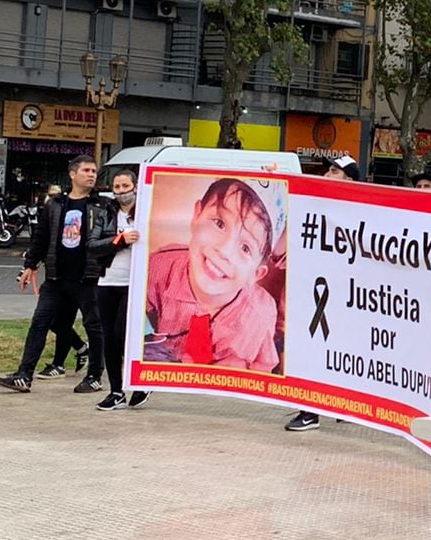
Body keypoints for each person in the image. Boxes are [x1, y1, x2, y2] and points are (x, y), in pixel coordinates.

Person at [140, 177, 282, 374]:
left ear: (256, 274)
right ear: (196, 216)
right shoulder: (158, 269)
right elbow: (136, 324)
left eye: (245, 247)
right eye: (219, 223)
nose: (224, 250)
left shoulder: (260, 313)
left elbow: (264, 363)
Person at [0, 155, 112, 393]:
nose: (91, 175)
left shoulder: (101, 206)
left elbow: (110, 240)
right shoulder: (55, 204)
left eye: (94, 171)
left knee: (94, 325)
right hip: (56, 278)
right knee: (40, 322)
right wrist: (30, 265)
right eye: (86, 170)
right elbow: (41, 237)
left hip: (88, 278)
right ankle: (24, 374)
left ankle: (94, 376)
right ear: (72, 174)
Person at [287, 154, 361, 431]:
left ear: (351, 180)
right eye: (327, 170)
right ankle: (310, 409)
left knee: (343, 349)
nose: (327, 175)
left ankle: (342, 403)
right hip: (315, 289)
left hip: (347, 293)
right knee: (313, 344)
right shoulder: (313, 203)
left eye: (335, 171)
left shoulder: (363, 211)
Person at [94, 168, 150, 411]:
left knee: (122, 333)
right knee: (109, 338)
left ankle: (140, 380)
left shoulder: (147, 211)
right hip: (108, 281)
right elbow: (92, 245)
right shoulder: (106, 213)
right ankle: (116, 391)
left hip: (134, 282)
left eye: (125, 187)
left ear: (136, 186)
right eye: (116, 187)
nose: (120, 192)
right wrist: (118, 241)